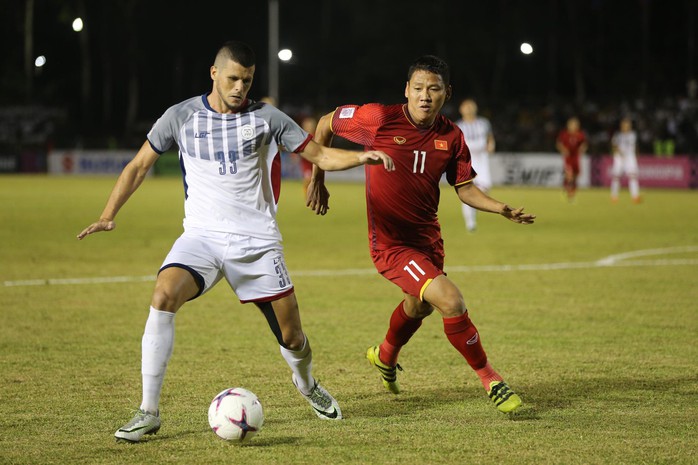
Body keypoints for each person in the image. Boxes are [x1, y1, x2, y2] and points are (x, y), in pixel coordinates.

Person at [77, 40, 394, 443]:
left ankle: (307, 384)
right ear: (214, 73)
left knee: (293, 337)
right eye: (233, 78)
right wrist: (108, 215)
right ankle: (148, 410)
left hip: (258, 244)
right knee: (162, 296)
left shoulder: (268, 118)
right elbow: (139, 165)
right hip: (202, 238)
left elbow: (319, 154)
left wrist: (359, 157)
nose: (240, 87)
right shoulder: (180, 117)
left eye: (247, 80)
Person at [307, 55, 535, 414]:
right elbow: (326, 123)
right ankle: (491, 379)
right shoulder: (379, 119)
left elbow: (465, 188)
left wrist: (500, 208)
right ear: (406, 90)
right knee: (451, 300)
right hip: (391, 244)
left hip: (428, 240)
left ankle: (384, 356)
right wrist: (317, 177)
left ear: (447, 93)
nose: (424, 96)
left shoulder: (451, 136)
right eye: (418, 89)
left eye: (433, 89)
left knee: (419, 305)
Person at [454, 99, 495, 232]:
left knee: (484, 191)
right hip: (466, 161)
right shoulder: (458, 125)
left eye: (471, 105)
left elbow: (490, 138)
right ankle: (470, 223)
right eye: (466, 106)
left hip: (482, 160)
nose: (469, 108)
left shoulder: (484, 123)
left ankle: (473, 211)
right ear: (461, 109)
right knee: (466, 190)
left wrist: (491, 146)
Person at [556, 117, 588, 202]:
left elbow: (584, 143)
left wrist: (582, 148)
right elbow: (559, 144)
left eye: (575, 125)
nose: (573, 126)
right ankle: (568, 190)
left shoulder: (580, 134)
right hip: (568, 157)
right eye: (571, 125)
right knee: (569, 174)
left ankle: (573, 190)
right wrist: (563, 149)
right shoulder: (564, 134)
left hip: (576, 157)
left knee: (576, 175)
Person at [610, 117, 641, 203]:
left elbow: (635, 147)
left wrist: (635, 156)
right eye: (624, 125)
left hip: (630, 157)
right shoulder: (617, 135)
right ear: (621, 126)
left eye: (628, 125)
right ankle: (614, 196)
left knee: (633, 176)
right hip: (619, 157)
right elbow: (614, 146)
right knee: (616, 177)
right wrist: (619, 153)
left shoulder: (633, 135)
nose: (626, 127)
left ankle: (635, 196)